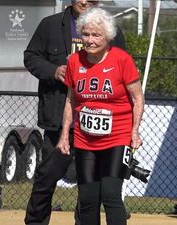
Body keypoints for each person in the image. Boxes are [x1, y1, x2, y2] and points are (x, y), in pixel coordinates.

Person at [23, 1, 125, 225]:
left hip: (96, 124)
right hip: (58, 119)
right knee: (46, 178)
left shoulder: (110, 28)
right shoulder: (50, 25)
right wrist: (53, 70)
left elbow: (123, 68)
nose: (86, 1)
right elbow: (31, 57)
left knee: (90, 184)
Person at [56, 7, 144, 225]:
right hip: (86, 140)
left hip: (118, 137)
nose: (90, 40)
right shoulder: (75, 62)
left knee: (110, 194)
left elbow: (138, 99)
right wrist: (65, 134)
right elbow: (70, 100)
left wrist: (134, 131)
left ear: (108, 37)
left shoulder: (121, 60)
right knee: (87, 197)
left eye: (96, 35)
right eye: (85, 34)